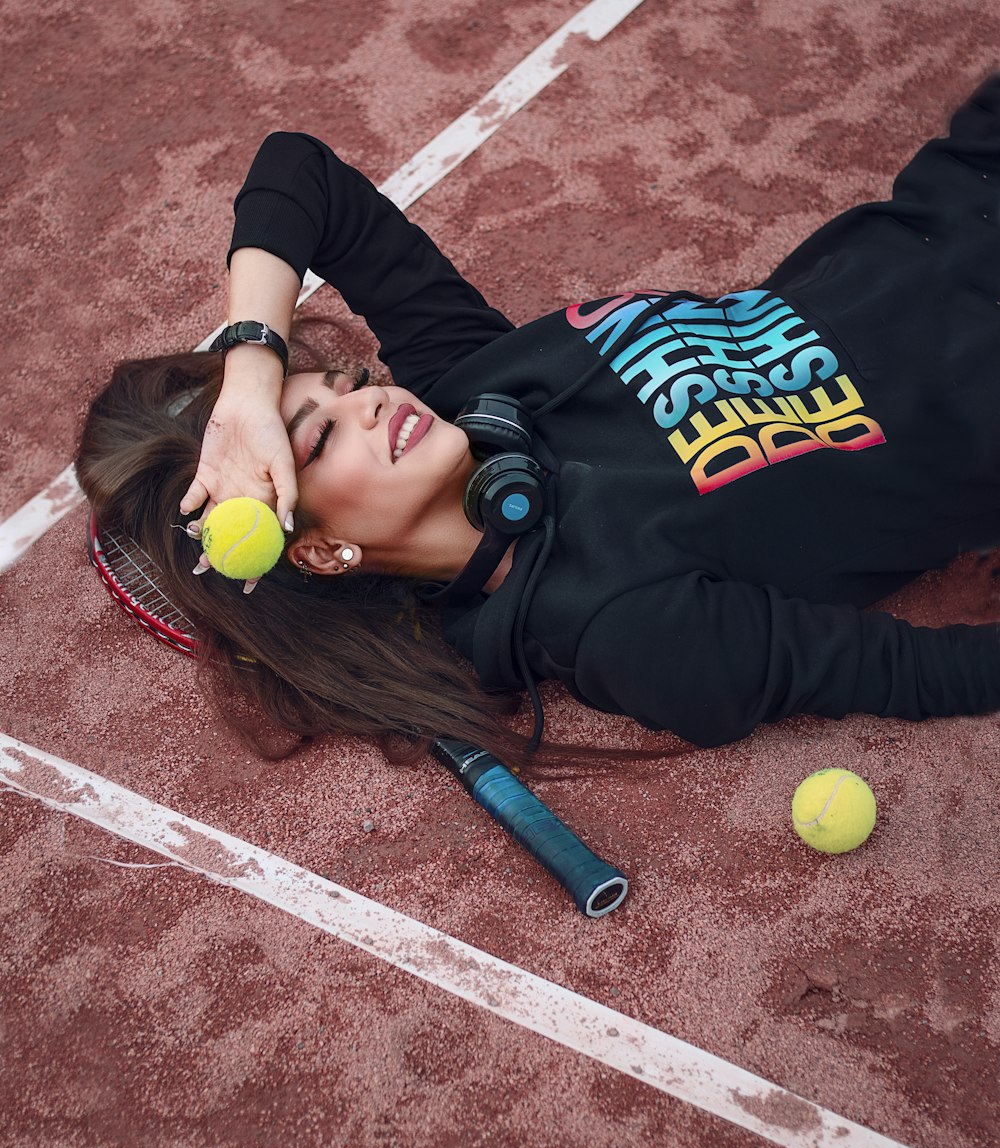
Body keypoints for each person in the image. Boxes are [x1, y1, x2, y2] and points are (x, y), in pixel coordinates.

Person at [76, 75, 1000, 767]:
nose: (368, 403)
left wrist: (249, 376)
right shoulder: (620, 623)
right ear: (320, 551)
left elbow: (299, 168)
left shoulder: (470, 384)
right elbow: (918, 670)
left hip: (953, 202)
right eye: (316, 439)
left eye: (339, 385)